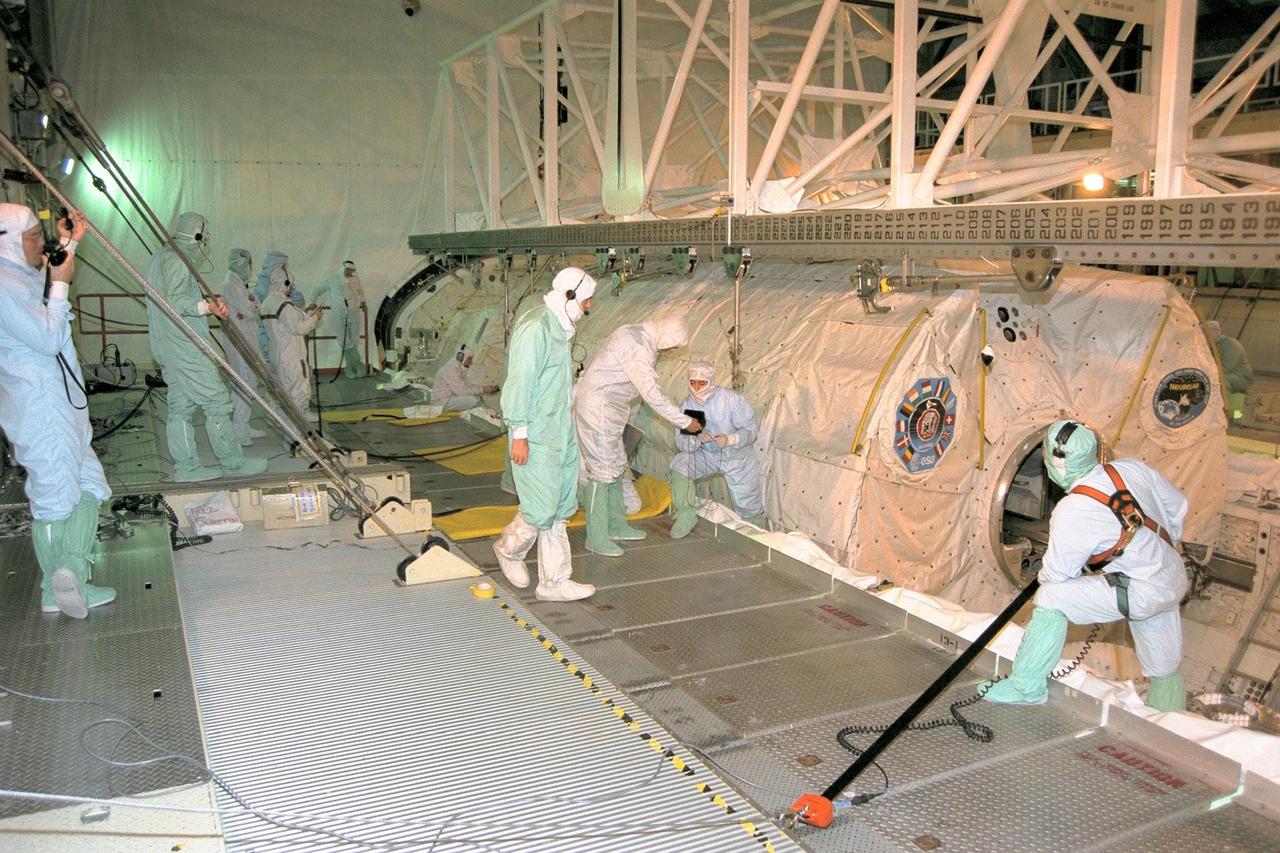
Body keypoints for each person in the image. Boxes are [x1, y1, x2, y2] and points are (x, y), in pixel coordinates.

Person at [983, 420, 1188, 712]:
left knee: (1051, 598)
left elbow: (1057, 574)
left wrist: (1047, 574)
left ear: (1056, 465)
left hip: (1141, 590)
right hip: (1172, 575)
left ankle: (1027, 685)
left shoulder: (1074, 509)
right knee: (1164, 667)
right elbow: (1178, 506)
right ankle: (1173, 721)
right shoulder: (1131, 468)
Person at [0, 204, 114, 618]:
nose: (39, 244)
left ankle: (70, 570)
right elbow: (47, 337)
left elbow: (40, 298)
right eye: (31, 237)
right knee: (53, 495)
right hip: (39, 405)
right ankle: (56, 586)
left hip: (59, 399)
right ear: (8, 242)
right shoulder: (3, 283)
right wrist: (62, 284)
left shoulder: (17, 275)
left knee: (88, 481)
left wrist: (70, 243)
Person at [493, 267, 598, 602]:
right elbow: (519, 383)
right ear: (568, 296)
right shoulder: (537, 327)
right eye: (586, 301)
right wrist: (519, 434)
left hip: (559, 431)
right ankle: (508, 550)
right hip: (536, 433)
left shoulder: (559, 328)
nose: (589, 308)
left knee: (560, 507)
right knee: (540, 508)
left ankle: (554, 582)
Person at [145, 213, 269, 481]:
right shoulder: (178, 259)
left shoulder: (162, 257)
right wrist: (205, 306)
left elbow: (174, 294)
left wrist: (205, 302)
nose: (208, 241)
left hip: (168, 344)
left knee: (181, 406)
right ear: (197, 235)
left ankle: (186, 467)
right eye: (206, 235)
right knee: (217, 401)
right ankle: (232, 463)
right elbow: (174, 301)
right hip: (184, 346)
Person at [574, 315, 700, 556]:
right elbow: (652, 395)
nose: (672, 351)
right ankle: (596, 537)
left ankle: (616, 526)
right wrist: (685, 421)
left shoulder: (636, 332)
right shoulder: (639, 348)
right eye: (673, 346)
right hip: (598, 411)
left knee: (617, 466)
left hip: (607, 410)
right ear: (667, 337)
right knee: (602, 473)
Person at [669, 361, 764, 537]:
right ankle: (686, 515)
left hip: (737, 457)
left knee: (748, 505)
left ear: (711, 381)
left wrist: (731, 439)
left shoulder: (731, 400)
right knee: (680, 464)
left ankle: (757, 537)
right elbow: (681, 443)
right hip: (708, 455)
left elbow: (750, 430)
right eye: (693, 383)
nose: (697, 388)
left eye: (702, 383)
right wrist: (696, 439)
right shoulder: (688, 406)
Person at [220, 248, 267, 446]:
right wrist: (251, 308)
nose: (251, 267)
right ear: (242, 264)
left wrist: (251, 308)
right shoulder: (232, 283)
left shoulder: (239, 283)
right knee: (244, 382)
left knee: (249, 382)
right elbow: (250, 310)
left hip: (246, 337)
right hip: (238, 339)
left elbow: (255, 305)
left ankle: (243, 424)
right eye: (249, 264)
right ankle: (238, 430)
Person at [262, 265, 322, 420]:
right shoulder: (284, 305)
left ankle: (290, 419)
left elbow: (287, 324)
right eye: (290, 285)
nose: (291, 289)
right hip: (291, 355)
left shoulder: (268, 302)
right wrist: (315, 318)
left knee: (283, 390)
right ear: (285, 283)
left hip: (277, 354)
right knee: (298, 388)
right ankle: (298, 421)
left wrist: (308, 314)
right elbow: (299, 328)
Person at [322, 259, 368, 378]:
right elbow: (318, 288)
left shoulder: (355, 280)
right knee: (344, 341)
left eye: (352, 270)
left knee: (353, 341)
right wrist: (312, 301)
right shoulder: (333, 279)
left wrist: (363, 301)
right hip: (339, 314)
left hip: (353, 313)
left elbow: (361, 292)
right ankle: (358, 366)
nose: (350, 272)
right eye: (348, 270)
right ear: (343, 269)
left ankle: (350, 368)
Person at [1207, 320, 1253, 422]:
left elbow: (1226, 369)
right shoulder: (1217, 345)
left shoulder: (1230, 345)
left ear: (1214, 332)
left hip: (1241, 378)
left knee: (1221, 381)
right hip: (1233, 377)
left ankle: (1224, 411)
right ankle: (1231, 413)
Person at [432, 344, 498, 410]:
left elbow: (466, 385)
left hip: (449, 398)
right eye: (469, 359)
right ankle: (485, 416)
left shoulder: (457, 367)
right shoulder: (451, 370)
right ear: (461, 357)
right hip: (441, 401)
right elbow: (462, 391)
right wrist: (482, 389)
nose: (471, 362)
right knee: (472, 400)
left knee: (477, 396)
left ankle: (488, 414)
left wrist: (482, 389)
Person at [253, 249, 292, 359]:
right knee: (273, 363)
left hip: (279, 334)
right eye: (283, 267)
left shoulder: (278, 284)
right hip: (270, 334)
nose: (285, 270)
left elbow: (299, 299)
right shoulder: (263, 287)